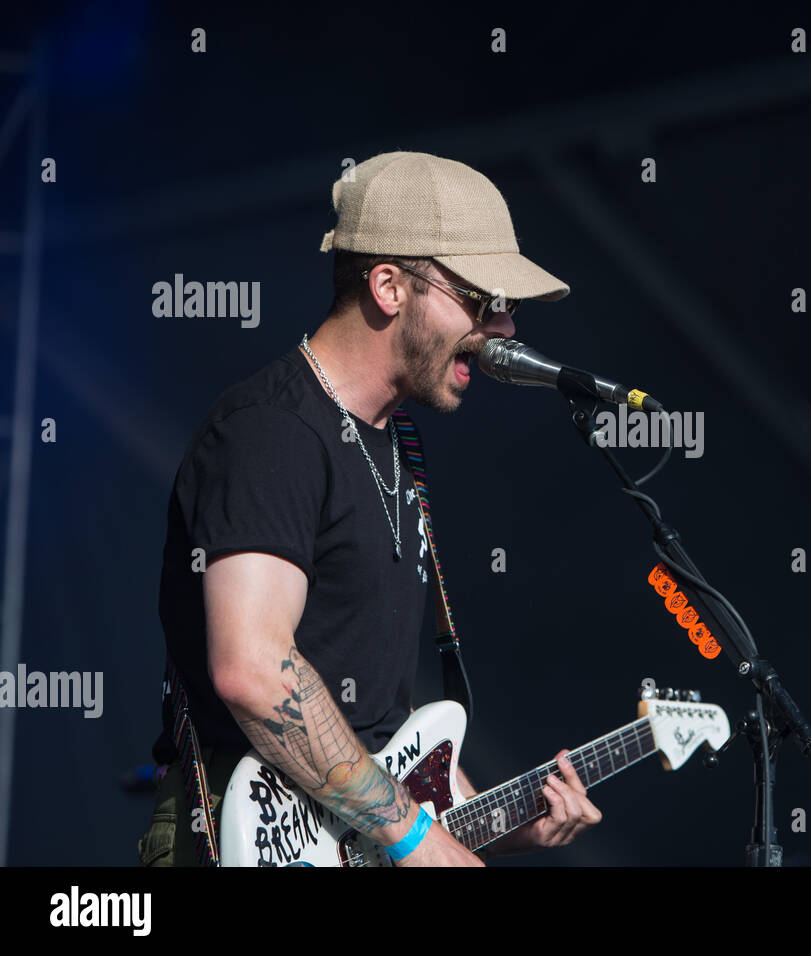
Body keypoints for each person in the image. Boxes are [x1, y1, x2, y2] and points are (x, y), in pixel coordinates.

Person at [138, 151, 601, 867]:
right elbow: (255, 668)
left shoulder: (395, 448)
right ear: (389, 286)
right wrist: (413, 836)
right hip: (236, 840)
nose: (504, 328)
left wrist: (496, 821)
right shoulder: (271, 431)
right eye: (482, 300)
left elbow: (384, 728)